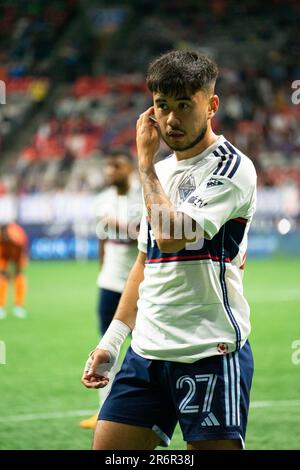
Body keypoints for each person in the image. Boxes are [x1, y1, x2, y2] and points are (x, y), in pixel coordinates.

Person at [82, 50, 257, 450]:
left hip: (208, 352)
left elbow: (171, 236)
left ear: (211, 105)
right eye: (162, 106)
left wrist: (144, 166)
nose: (172, 120)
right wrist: (112, 342)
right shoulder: (161, 173)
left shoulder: (231, 168)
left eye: (184, 105)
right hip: (146, 352)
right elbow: (147, 262)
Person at [80, 147, 142, 429]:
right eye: (107, 166)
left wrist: (123, 228)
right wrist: (102, 269)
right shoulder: (102, 200)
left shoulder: (144, 197)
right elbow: (103, 240)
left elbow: (148, 240)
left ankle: (151, 408)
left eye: (115, 166)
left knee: (146, 349)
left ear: (129, 168)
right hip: (109, 284)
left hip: (140, 286)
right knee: (106, 347)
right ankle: (105, 411)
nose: (109, 172)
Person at [0, 223, 28, 319]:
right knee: (2, 277)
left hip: (17, 253)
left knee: (19, 276)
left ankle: (18, 307)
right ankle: (1, 307)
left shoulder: (17, 237)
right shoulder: (2, 239)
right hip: (3, 254)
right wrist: (3, 270)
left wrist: (16, 268)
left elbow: (20, 250)